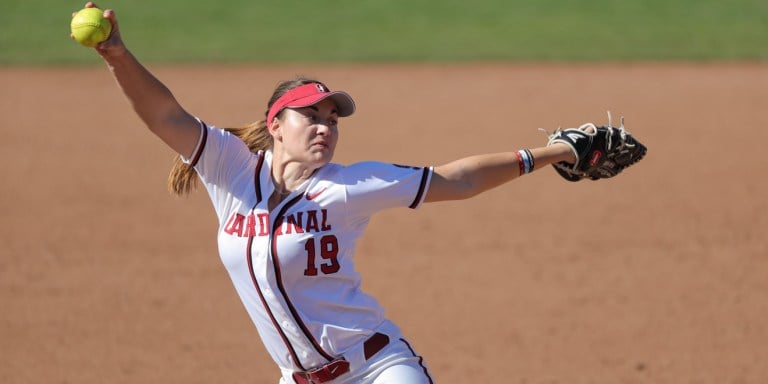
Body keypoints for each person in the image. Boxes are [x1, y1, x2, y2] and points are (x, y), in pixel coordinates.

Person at [75, 3, 579, 383]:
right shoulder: (228, 168)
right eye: (311, 116)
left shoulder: (349, 185)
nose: (324, 128)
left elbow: (457, 180)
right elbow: (165, 114)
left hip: (378, 368)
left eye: (332, 119)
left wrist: (551, 152)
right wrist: (117, 56)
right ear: (275, 124)